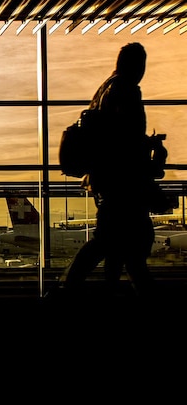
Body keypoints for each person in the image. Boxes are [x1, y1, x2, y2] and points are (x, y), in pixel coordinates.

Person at [59, 42, 157, 297]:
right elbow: (126, 138)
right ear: (136, 65)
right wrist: (148, 146)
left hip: (105, 179)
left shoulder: (104, 89)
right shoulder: (126, 90)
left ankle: (76, 288)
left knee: (113, 244)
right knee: (120, 245)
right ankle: (69, 288)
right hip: (122, 181)